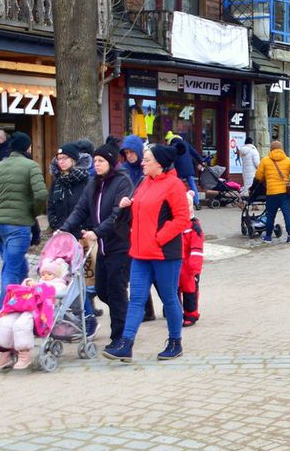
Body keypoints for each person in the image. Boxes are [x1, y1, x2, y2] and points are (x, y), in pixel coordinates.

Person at [104, 144, 192, 362]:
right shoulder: (144, 182)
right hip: (140, 252)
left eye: (147, 159)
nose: (142, 163)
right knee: (136, 299)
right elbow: (141, 211)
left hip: (164, 253)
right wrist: (127, 204)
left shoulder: (174, 185)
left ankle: (175, 342)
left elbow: (182, 219)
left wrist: (158, 239)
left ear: (159, 164)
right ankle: (126, 343)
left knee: (169, 298)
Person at [60, 144, 132, 344]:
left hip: (120, 245)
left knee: (117, 291)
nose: (97, 164)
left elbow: (118, 214)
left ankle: (120, 337)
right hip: (102, 247)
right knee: (101, 290)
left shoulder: (122, 182)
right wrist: (64, 229)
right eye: (95, 161)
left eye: (101, 161)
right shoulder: (93, 183)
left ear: (110, 162)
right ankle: (126, 315)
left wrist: (97, 232)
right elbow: (81, 209)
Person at [0, 132, 47, 310]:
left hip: (2, 224)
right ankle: (4, 311)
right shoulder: (31, 166)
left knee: (20, 267)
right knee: (11, 269)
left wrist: (1, 208)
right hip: (20, 225)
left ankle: (23, 303)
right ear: (27, 148)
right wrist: (33, 211)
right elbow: (41, 194)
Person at [0, 256, 70, 370]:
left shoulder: (59, 284)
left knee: (22, 324)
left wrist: (40, 287)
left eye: (49, 274)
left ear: (56, 275)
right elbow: (26, 287)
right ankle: (5, 351)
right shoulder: (38, 282)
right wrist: (28, 283)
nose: (45, 276)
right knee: (6, 322)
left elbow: (54, 292)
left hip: (40, 310)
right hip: (24, 307)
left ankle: (24, 354)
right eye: (43, 274)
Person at [255, 140, 290, 243]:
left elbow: (258, 176)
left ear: (271, 149)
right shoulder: (288, 160)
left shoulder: (265, 160)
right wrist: (289, 181)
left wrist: (266, 178)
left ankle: (268, 237)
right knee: (287, 214)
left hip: (272, 192)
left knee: (270, 215)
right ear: (281, 148)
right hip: (285, 192)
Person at [47, 142, 92, 231]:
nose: (61, 161)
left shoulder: (86, 180)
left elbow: (91, 206)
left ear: (74, 159)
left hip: (82, 231)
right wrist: (54, 223)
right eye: (59, 159)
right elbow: (51, 205)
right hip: (61, 230)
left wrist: (87, 226)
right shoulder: (57, 182)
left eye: (65, 158)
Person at [179, 192, 206, 325]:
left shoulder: (194, 227)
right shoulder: (174, 223)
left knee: (190, 291)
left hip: (189, 267)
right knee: (174, 290)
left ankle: (191, 314)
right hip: (175, 263)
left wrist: (195, 268)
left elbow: (197, 249)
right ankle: (176, 313)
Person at [166, 131, 205, 203]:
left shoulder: (172, 146)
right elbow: (195, 153)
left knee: (178, 185)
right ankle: (197, 202)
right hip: (189, 167)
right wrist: (201, 161)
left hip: (178, 168)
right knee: (192, 183)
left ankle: (180, 201)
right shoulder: (186, 143)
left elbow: (170, 158)